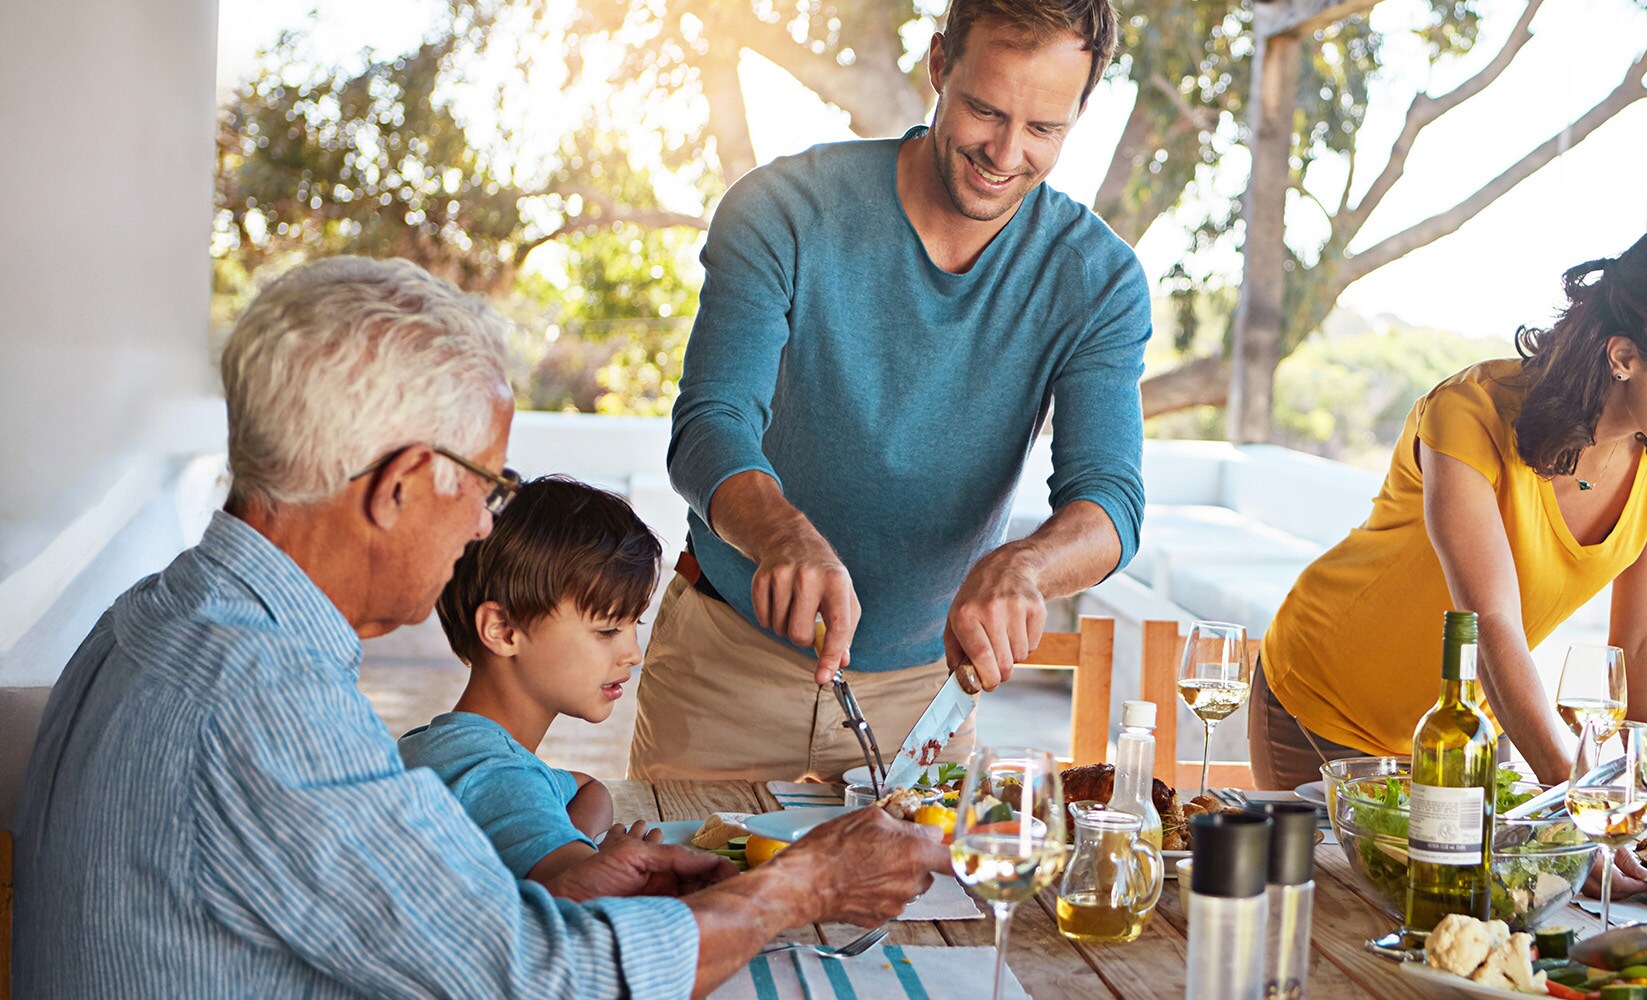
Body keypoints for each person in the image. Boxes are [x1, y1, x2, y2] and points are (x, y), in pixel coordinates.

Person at [11, 257, 949, 999]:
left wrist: (548, 893)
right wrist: (801, 888)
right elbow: (555, 982)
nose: (484, 527)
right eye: (489, 490)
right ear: (403, 485)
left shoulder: (158, 618)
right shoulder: (262, 704)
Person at [631, 0, 1147, 783]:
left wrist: (1026, 567)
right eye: (984, 109)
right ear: (940, 64)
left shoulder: (1098, 280)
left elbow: (1110, 500)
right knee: (686, 899)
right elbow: (710, 423)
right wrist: (781, 534)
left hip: (924, 700)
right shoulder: (782, 209)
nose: (1005, 153)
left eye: (1045, 129)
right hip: (723, 669)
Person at [1249, 227, 1647, 834]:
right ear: (1624, 357)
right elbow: (1488, 626)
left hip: (1465, 737)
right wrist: (1583, 805)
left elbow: (1643, 642)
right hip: (1328, 707)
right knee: (1351, 918)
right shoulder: (1468, 414)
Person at [400, 476, 662, 889]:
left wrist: (572, 845)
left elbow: (589, 788)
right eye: (608, 630)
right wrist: (587, 865)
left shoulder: (448, 746)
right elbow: (587, 893)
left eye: (635, 625)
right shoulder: (494, 775)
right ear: (504, 631)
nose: (633, 653)